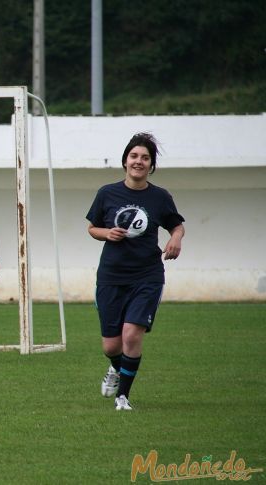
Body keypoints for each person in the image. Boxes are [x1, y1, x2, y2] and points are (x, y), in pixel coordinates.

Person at [86, 132, 184, 411]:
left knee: (131, 335)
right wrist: (107, 233)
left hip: (147, 275)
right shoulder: (107, 193)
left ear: (151, 165)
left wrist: (176, 238)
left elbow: (176, 225)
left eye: (145, 158)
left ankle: (123, 397)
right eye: (134, 156)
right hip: (111, 276)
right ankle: (116, 368)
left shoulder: (160, 197)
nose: (138, 161)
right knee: (110, 346)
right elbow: (92, 228)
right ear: (125, 160)